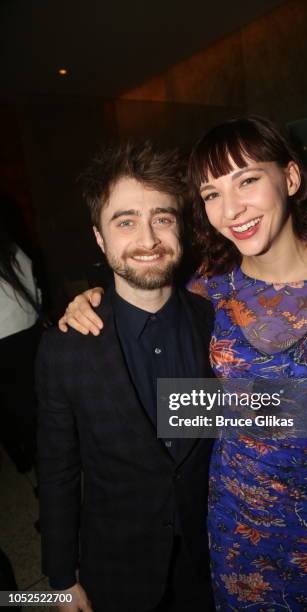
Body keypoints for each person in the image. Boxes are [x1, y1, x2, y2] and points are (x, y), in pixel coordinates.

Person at [59, 117, 307, 611]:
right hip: (229, 517)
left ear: (289, 178)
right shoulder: (208, 284)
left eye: (247, 180)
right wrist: (91, 303)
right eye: (211, 193)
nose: (232, 209)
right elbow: (148, 311)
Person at [36, 142, 215, 612]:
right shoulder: (67, 345)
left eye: (162, 217)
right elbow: (57, 471)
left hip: (212, 558)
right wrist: (59, 578)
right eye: (125, 221)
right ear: (100, 237)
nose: (148, 238)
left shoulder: (216, 322)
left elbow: (277, 409)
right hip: (117, 566)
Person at [0, 223, 41, 472]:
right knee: (34, 399)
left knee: (11, 408)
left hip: (6, 341)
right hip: (29, 331)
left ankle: (26, 458)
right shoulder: (12, 248)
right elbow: (34, 287)